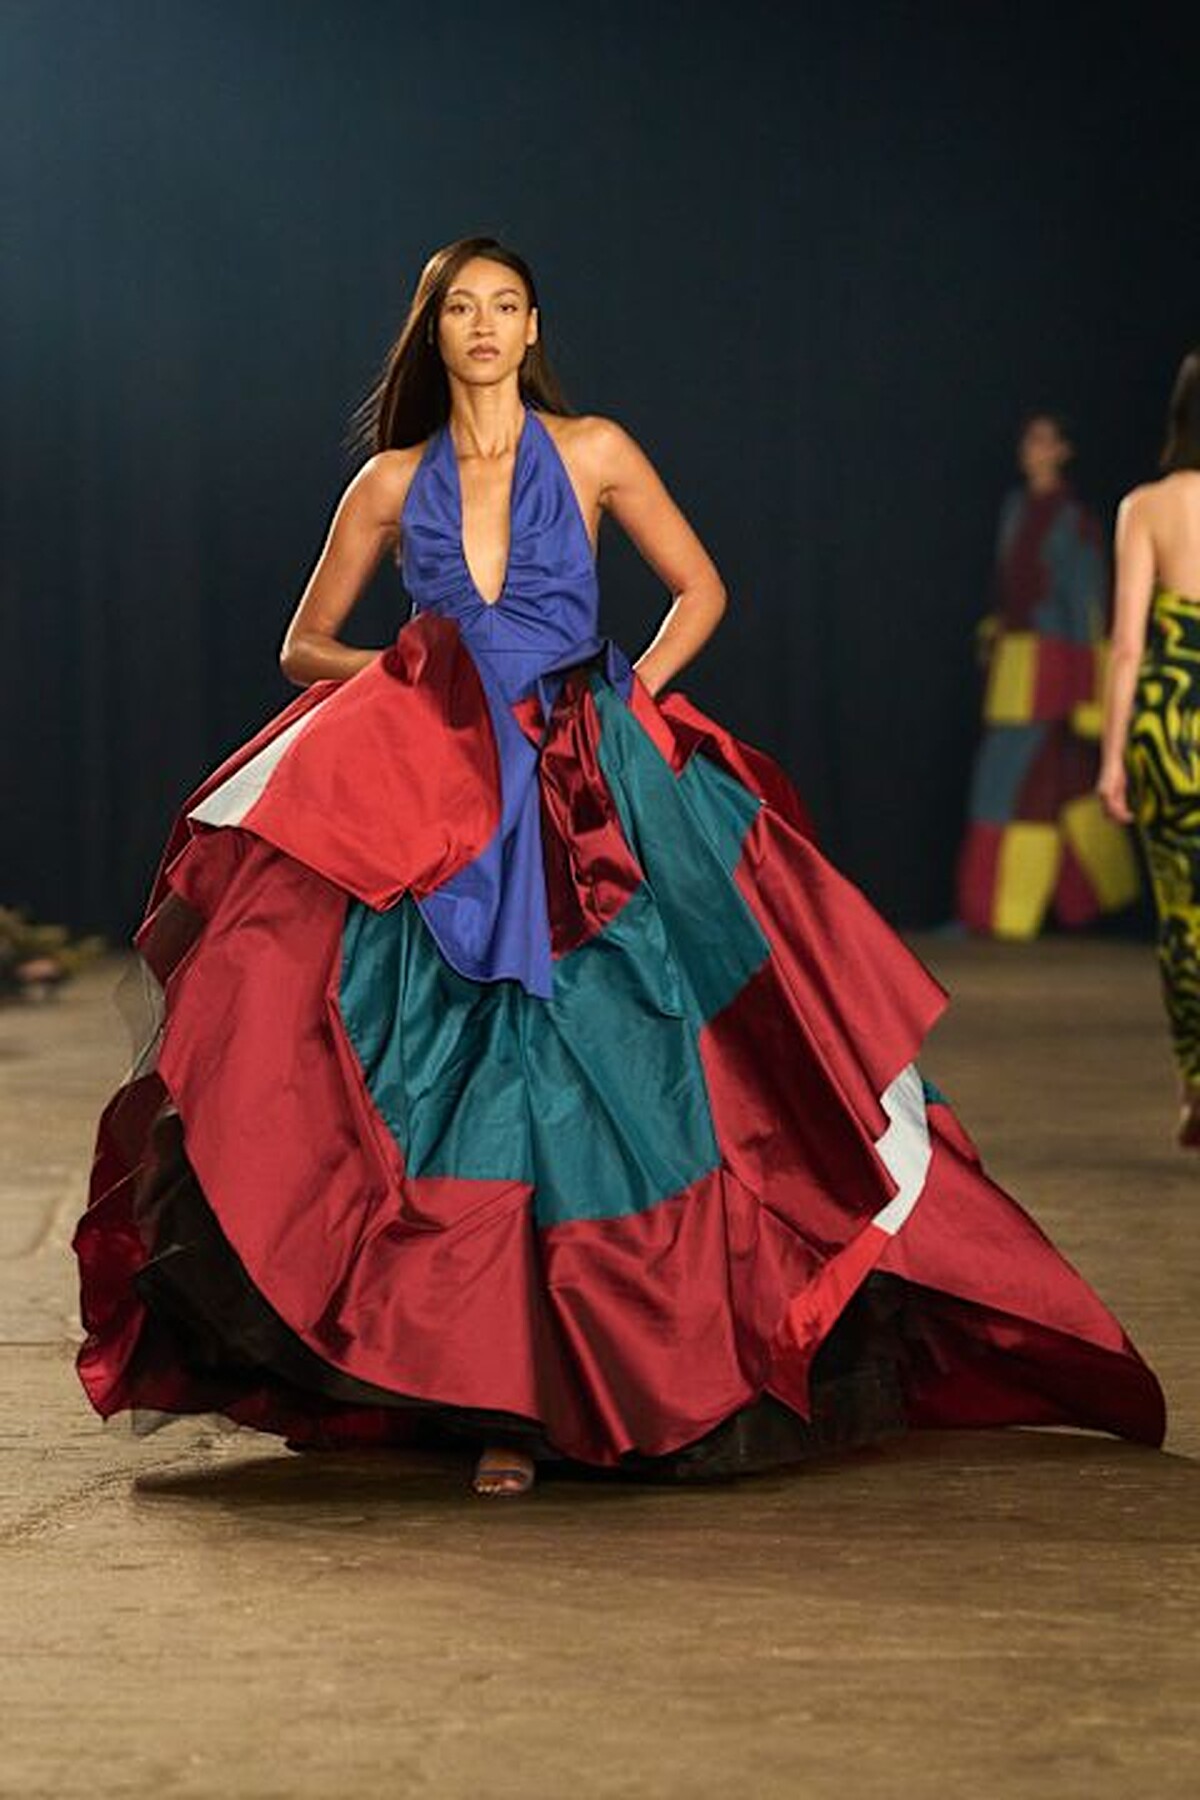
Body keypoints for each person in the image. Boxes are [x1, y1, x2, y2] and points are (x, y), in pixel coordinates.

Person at [72, 238, 1165, 1497]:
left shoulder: (592, 451)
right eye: (462, 308)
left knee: (629, 1073)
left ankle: (634, 1366)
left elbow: (701, 590)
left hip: (592, 782)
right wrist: (415, 681)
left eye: (506, 306)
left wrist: (621, 700)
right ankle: (501, 1402)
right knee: (464, 1086)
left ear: (533, 328)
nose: (486, 326)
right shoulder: (390, 482)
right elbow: (304, 644)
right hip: (444, 799)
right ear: (435, 332)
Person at [957, 413, 1139, 938]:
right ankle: (1072, 907)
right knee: (1048, 785)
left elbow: (1087, 604)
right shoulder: (1017, 508)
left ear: (1063, 450)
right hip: (1020, 664)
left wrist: (1092, 686)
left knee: (1026, 787)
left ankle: (1001, 912)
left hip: (1056, 665)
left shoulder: (1072, 519)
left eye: (1042, 440)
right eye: (1028, 438)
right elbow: (1009, 588)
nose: (1030, 448)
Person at [1099, 348, 1200, 1149]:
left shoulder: (1146, 507)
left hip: (1171, 729)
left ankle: (1195, 1088)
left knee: (1181, 914)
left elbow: (1128, 645)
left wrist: (1110, 760)